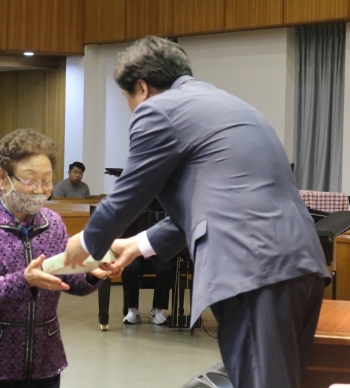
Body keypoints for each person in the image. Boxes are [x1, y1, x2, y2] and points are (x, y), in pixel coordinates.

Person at [64, 36, 330, 388]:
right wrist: (137, 245)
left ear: (141, 88)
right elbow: (222, 206)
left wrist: (88, 241)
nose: (131, 110)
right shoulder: (232, 105)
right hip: (301, 262)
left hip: (253, 267)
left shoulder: (158, 109)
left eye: (127, 99)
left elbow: (131, 191)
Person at [0, 129, 112, 388]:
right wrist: (25, 280)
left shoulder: (52, 223)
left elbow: (69, 280)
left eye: (47, 181)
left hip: (42, 359)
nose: (39, 190)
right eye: (29, 180)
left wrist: (92, 273)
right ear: (2, 177)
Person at [121, 256, 172, 325]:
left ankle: (157, 310)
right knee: (128, 270)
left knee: (165, 270)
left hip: (156, 255)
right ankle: (133, 310)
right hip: (137, 254)